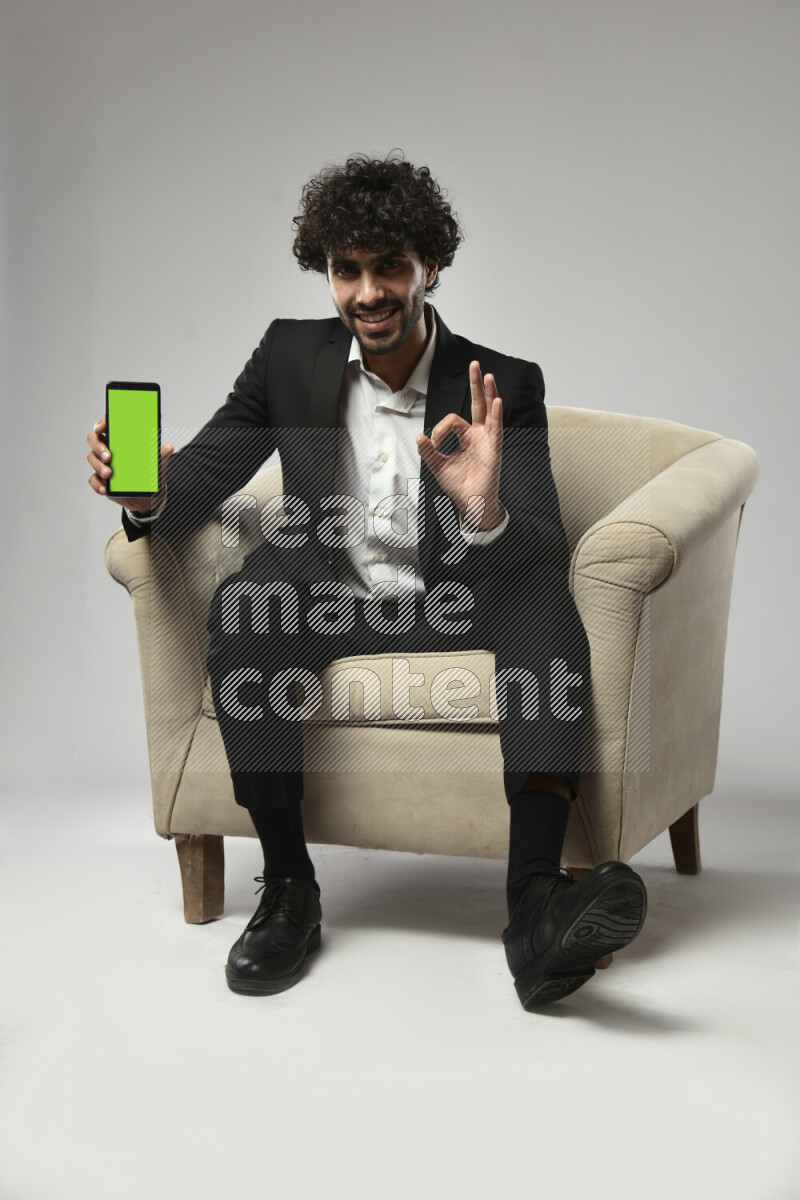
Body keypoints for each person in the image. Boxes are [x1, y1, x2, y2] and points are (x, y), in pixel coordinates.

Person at [86, 152, 647, 1009]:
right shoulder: (287, 356)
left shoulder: (499, 384)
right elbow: (203, 477)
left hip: (454, 603)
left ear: (432, 265)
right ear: (328, 273)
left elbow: (540, 543)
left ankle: (535, 906)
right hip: (331, 599)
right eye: (346, 270)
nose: (368, 291)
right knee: (247, 607)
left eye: (390, 266)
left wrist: (485, 508)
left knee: (542, 599)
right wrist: (149, 493)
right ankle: (287, 889)